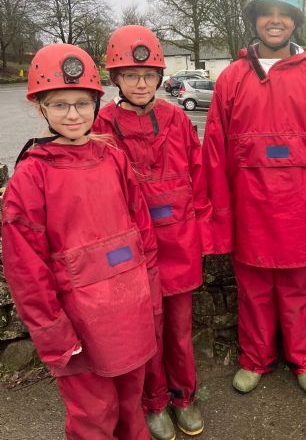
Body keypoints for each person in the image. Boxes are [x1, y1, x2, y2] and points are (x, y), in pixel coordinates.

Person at [203, 0, 306, 396]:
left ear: (295, 20)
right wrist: (219, 220)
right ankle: (255, 359)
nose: (275, 20)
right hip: (249, 214)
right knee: (252, 293)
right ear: (254, 19)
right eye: (266, 12)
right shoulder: (231, 79)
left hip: (298, 217)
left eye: (283, 13)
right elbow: (214, 154)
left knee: (298, 292)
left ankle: (303, 360)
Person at [1, 43, 161, 439]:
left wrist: (150, 291)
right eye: (60, 104)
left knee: (131, 402)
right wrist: (53, 331)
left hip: (128, 310)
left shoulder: (113, 158)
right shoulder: (31, 177)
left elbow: (142, 231)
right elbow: (26, 270)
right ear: (40, 108)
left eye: (82, 103)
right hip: (79, 323)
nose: (73, 114)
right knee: (95, 413)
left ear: (96, 104)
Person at [93, 25, 213, 439]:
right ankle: (154, 401)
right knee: (147, 332)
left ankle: (184, 396)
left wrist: (203, 233)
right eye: (131, 75)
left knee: (179, 330)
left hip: (179, 242)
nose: (141, 83)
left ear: (160, 76)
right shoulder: (102, 125)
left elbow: (199, 177)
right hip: (134, 249)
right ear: (116, 78)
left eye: (148, 75)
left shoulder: (177, 118)